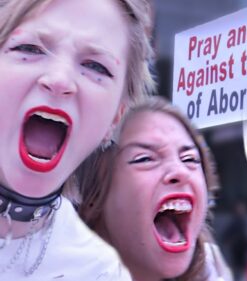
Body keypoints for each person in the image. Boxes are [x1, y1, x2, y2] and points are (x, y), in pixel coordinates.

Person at [0, 0, 154, 279]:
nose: (59, 80)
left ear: (115, 119)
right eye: (29, 49)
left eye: (96, 67)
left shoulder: (99, 272)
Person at [78, 96, 233, 281]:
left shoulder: (213, 270)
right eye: (145, 159)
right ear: (93, 194)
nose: (180, 172)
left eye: (189, 159)